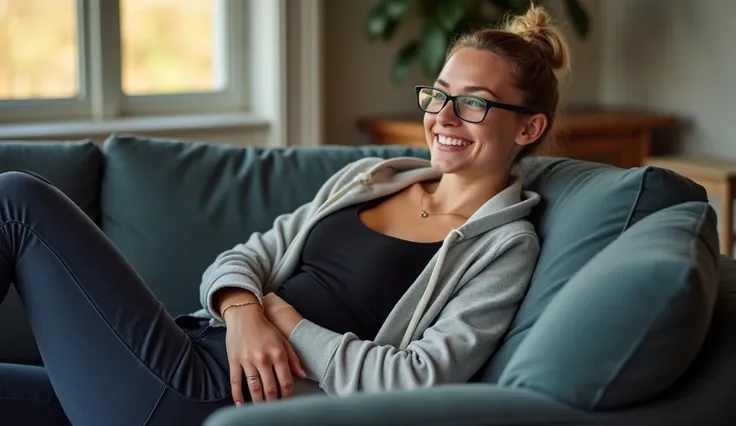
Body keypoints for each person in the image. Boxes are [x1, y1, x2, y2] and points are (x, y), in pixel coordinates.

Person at [0, 5, 569, 426]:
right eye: (439, 94)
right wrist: (245, 310)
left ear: (527, 127)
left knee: (18, 202)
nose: (445, 116)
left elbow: (416, 377)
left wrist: (284, 321)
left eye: (474, 103)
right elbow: (243, 257)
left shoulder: (504, 246)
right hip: (187, 349)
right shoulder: (373, 177)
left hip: (210, 397)